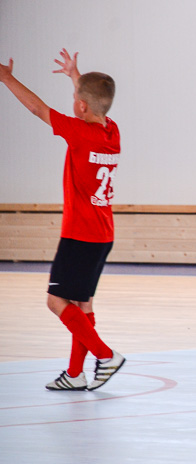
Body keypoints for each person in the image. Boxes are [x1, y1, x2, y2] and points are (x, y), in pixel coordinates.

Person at [0, 49, 125, 391]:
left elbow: (38, 109)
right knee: (82, 305)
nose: (73, 101)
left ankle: (106, 355)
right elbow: (92, 101)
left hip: (80, 234)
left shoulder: (79, 133)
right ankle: (74, 374)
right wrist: (76, 75)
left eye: (74, 98)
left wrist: (7, 78)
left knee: (56, 302)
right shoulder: (111, 131)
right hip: (103, 234)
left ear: (81, 107)